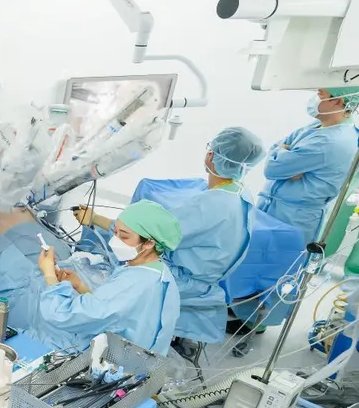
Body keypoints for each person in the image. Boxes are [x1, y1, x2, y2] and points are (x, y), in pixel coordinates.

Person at [74, 127, 265, 351]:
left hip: (183, 279)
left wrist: (95, 218)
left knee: (94, 275)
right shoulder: (239, 191)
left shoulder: (210, 205)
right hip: (203, 271)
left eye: (210, 148)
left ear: (212, 156)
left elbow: (145, 236)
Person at [37, 200, 182, 354]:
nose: (116, 240)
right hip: (140, 358)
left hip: (116, 365)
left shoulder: (132, 284)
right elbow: (116, 312)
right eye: (115, 232)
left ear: (149, 244)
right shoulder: (158, 271)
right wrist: (80, 286)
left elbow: (63, 315)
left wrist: (49, 274)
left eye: (124, 237)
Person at [259, 87, 359, 245]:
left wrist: (284, 155)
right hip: (275, 208)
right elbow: (275, 150)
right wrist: (284, 157)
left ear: (338, 101)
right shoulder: (318, 126)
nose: (315, 98)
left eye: (320, 94)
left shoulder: (331, 141)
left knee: (279, 264)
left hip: (293, 217)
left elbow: (272, 169)